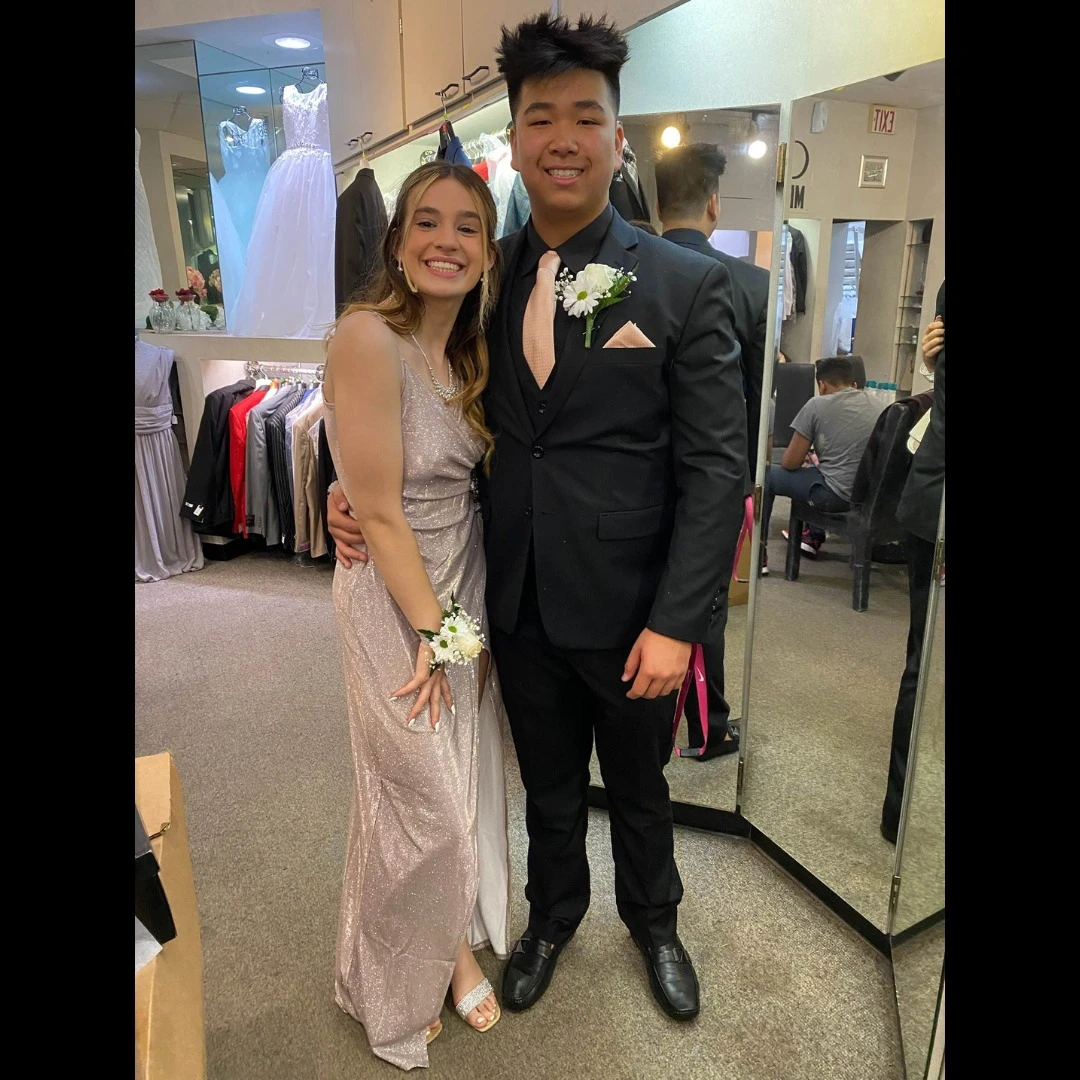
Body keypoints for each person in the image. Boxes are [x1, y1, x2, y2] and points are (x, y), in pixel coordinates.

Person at [328, 12, 747, 1023]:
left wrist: (678, 621)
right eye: (540, 117)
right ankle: (552, 914)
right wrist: (348, 495)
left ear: (616, 134)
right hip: (505, 597)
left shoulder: (688, 285)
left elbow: (717, 470)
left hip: (633, 608)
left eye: (585, 116)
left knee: (641, 790)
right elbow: (414, 394)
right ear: (512, 138)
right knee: (548, 790)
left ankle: (656, 922)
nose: (562, 136)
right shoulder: (479, 268)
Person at [322, 161, 511, 1070]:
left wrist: (458, 625)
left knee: (455, 781)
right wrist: (437, 638)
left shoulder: (469, 349)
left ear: (485, 250)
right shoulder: (366, 336)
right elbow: (382, 508)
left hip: (460, 578)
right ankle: (408, 970)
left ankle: (450, 947)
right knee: (420, 799)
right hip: (395, 593)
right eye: (427, 223)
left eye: (467, 227)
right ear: (396, 244)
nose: (447, 241)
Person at [655, 141, 771, 760]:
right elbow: (755, 397)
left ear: (654, 201)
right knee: (707, 597)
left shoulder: (633, 272)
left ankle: (646, 716)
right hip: (722, 478)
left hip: (641, 478)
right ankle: (708, 724)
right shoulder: (751, 283)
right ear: (715, 206)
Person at [881, 281, 945, 844]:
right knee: (921, 664)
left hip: (930, 497)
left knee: (920, 661)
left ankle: (895, 813)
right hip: (935, 506)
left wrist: (933, 370)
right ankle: (897, 813)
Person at [759, 355, 880, 564]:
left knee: (767, 476)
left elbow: (790, 462)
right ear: (853, 383)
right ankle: (811, 535)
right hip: (870, 497)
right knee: (817, 470)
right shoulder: (878, 403)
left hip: (835, 496)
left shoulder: (816, 405)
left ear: (822, 385)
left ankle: (757, 555)